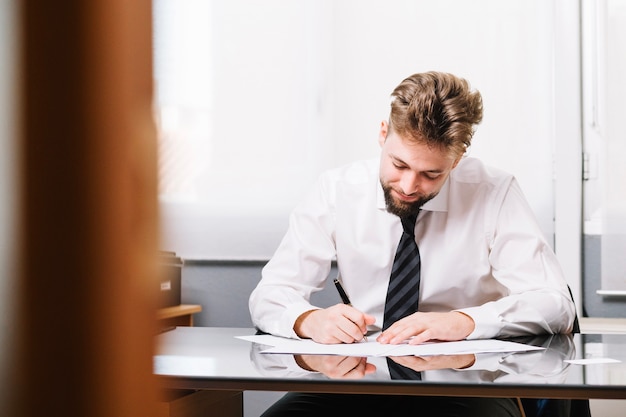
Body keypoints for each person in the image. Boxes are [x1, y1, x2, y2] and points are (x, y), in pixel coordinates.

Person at [248, 71, 577, 416]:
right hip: (357, 381)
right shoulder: (336, 189)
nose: (408, 185)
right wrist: (309, 320)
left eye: (431, 174)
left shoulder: (494, 192)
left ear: (456, 161)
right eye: (398, 164)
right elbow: (270, 294)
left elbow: (554, 303)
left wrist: (464, 322)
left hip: (464, 385)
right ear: (382, 134)